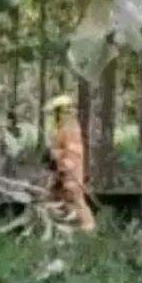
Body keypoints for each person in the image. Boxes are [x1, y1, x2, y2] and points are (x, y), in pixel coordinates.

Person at [43, 94, 96, 232]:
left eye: (56, 112)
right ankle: (63, 230)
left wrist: (61, 164)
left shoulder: (71, 129)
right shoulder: (61, 128)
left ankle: (88, 229)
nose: (54, 116)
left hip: (70, 173)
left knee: (76, 199)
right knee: (54, 198)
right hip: (59, 171)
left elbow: (73, 154)